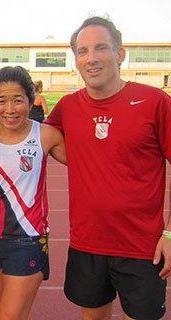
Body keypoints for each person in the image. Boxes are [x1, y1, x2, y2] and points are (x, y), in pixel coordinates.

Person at [45, 16, 171, 320]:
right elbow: (31, 134)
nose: (91, 58)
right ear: (75, 59)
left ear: (120, 54)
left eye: (100, 48)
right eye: (83, 51)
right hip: (88, 242)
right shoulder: (67, 106)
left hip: (142, 247)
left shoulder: (155, 101)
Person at [0, 66, 65, 320]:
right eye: (2, 101)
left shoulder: (46, 135)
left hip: (28, 240)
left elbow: (87, 163)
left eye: (18, 100)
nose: (10, 109)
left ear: (30, 100)